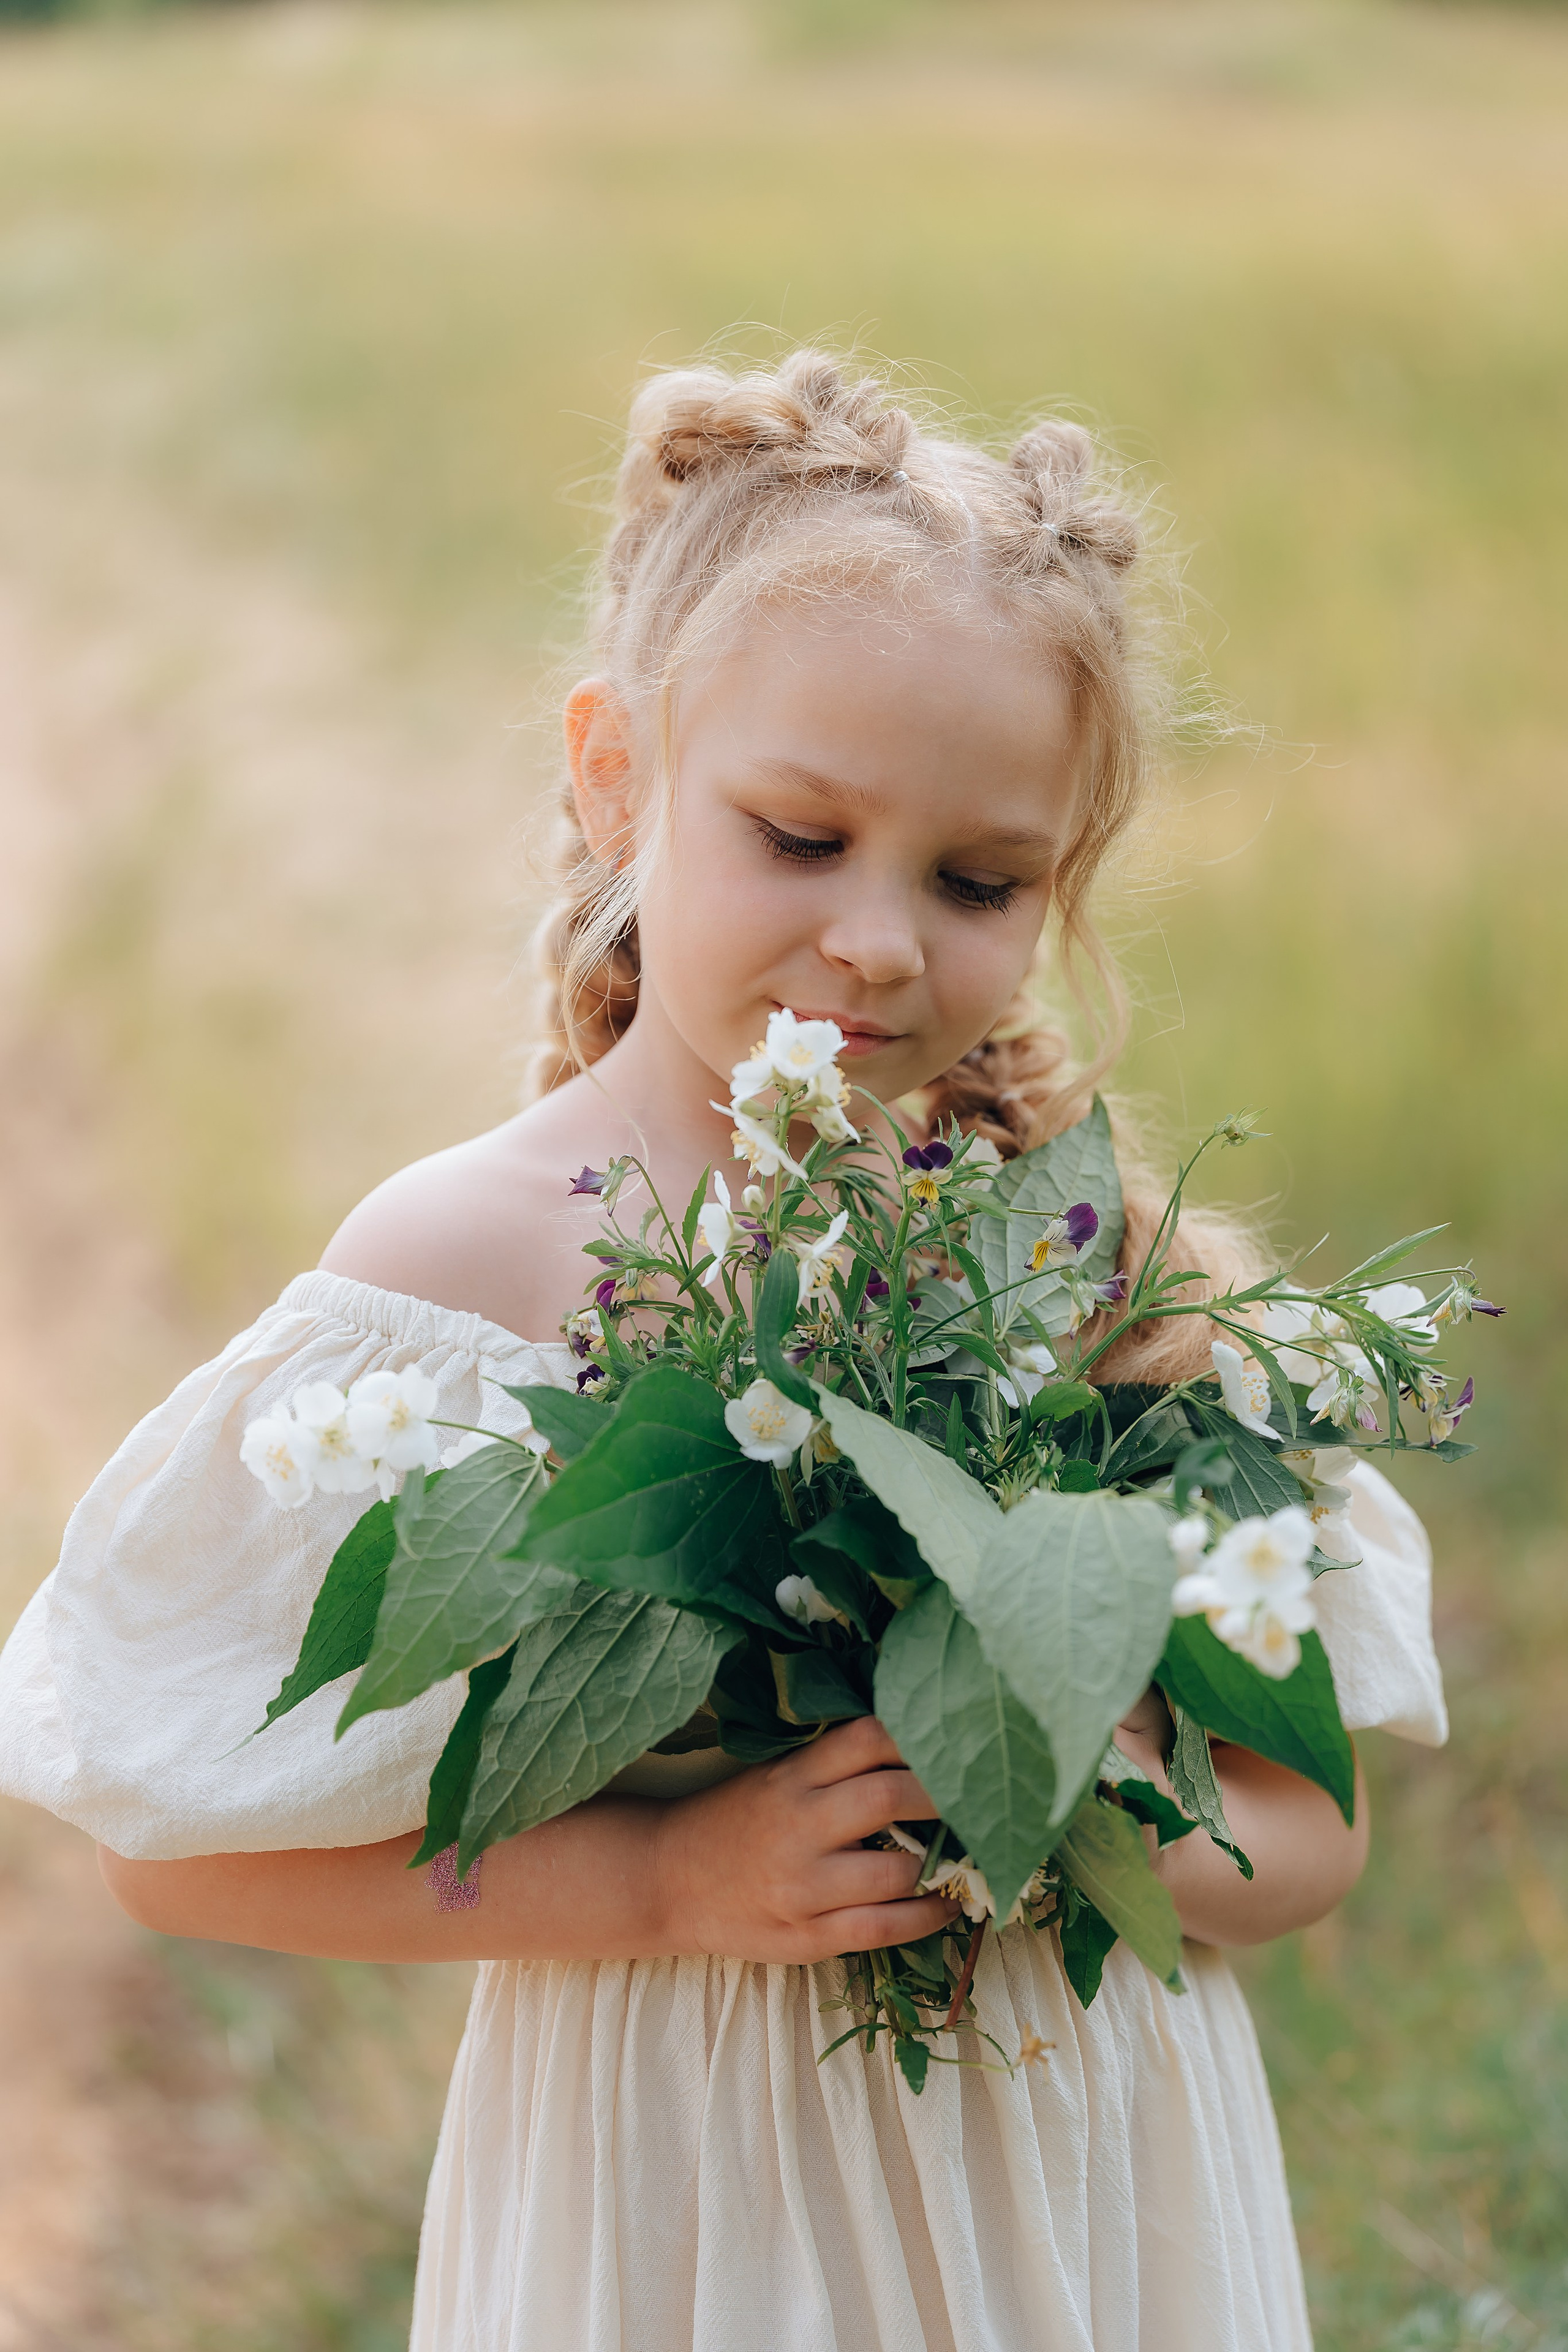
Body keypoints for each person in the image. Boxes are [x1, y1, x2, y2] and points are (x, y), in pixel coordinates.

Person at [0, 350, 1447, 2351]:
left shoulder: (1103, 1266)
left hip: (1078, 2188)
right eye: (797, 835)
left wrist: (1072, 1810)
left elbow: (1308, 1846)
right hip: (690, 2190)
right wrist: (669, 1884)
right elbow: (184, 1868)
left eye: (977, 880)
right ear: (618, 777)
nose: (876, 941)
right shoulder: (468, 1270)